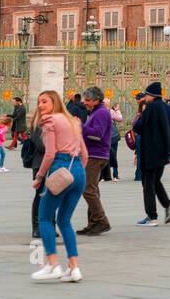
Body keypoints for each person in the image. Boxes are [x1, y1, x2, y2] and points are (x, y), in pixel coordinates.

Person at [30, 89, 88, 282]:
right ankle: (74, 268)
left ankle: (53, 265)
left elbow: (49, 154)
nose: (40, 105)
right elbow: (85, 154)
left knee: (45, 218)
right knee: (65, 220)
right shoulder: (74, 121)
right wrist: (76, 172)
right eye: (39, 102)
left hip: (60, 167)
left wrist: (39, 177)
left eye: (44, 101)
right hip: (78, 169)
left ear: (54, 102)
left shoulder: (49, 121)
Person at [132, 82, 170, 226]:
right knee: (155, 181)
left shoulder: (151, 107)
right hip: (163, 153)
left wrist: (141, 115)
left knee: (147, 183)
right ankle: (169, 205)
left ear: (151, 95)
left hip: (150, 151)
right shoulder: (169, 109)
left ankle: (151, 216)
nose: (145, 97)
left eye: (146, 95)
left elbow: (137, 127)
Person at [77, 87, 113, 236]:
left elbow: (97, 134)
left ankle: (102, 221)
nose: (85, 102)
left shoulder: (101, 113)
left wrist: (82, 128)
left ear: (97, 100)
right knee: (93, 189)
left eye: (88, 100)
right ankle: (93, 223)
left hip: (96, 155)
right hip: (95, 154)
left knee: (88, 189)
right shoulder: (96, 112)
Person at [20, 116, 46, 238]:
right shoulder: (39, 124)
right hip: (40, 163)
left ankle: (50, 224)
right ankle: (36, 227)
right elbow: (41, 145)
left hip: (54, 164)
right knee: (40, 195)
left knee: (53, 195)